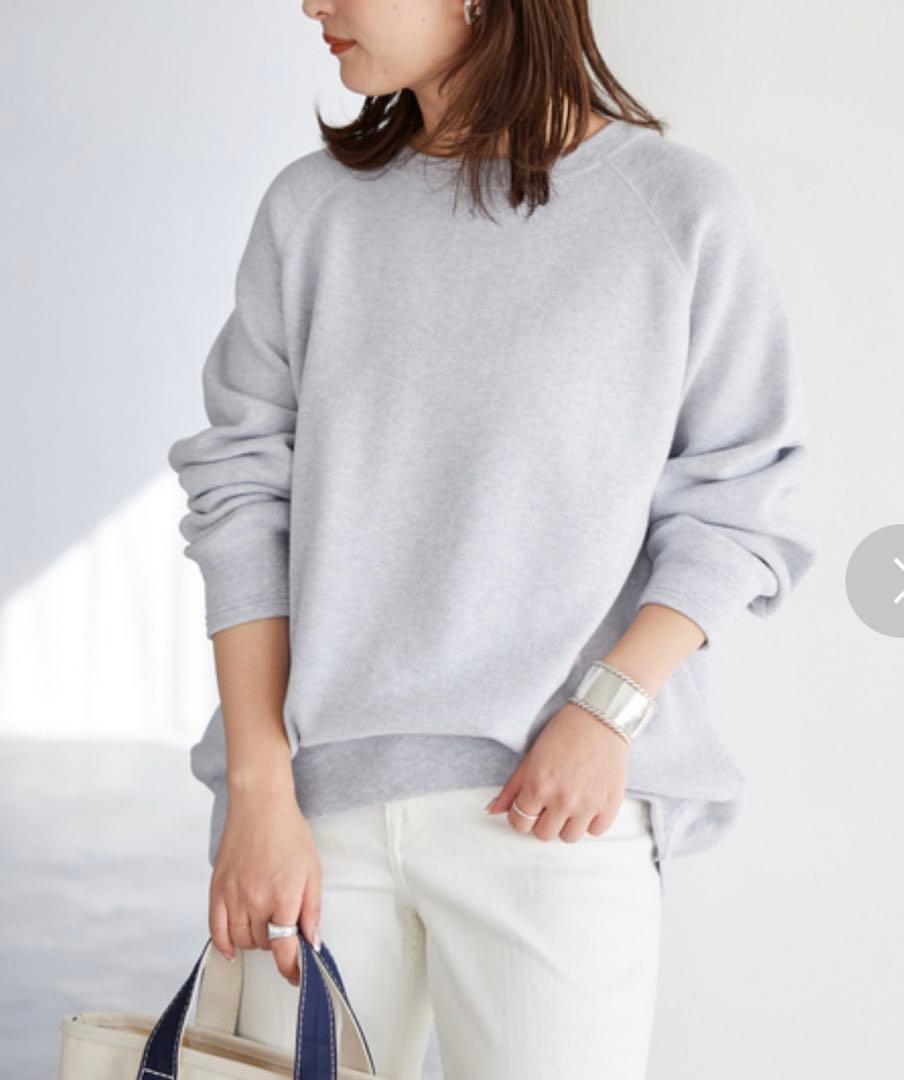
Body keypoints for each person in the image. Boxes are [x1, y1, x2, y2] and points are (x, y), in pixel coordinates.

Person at [166, 0, 818, 1076]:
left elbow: (737, 496)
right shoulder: (312, 211)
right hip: (315, 818)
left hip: (555, 818)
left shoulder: (674, 208)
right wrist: (258, 793)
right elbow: (239, 493)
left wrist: (608, 710)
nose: (312, 4)